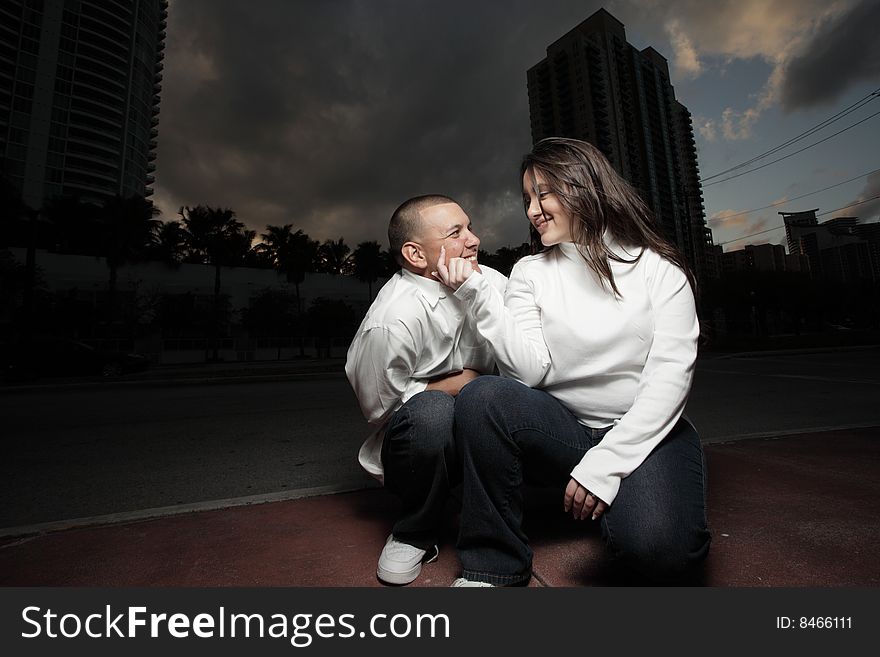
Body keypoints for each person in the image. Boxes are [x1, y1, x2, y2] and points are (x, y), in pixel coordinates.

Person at [434, 138, 711, 586]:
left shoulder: (660, 272)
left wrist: (606, 466)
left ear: (586, 188)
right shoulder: (530, 272)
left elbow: (668, 384)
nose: (532, 210)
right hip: (564, 429)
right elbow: (527, 373)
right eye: (527, 198)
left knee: (662, 553)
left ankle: (615, 497)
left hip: (646, 432)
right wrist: (477, 297)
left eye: (544, 193)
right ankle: (493, 565)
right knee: (484, 395)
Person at [345, 194, 507, 585]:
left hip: (484, 424)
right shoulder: (391, 320)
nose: (474, 240)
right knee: (431, 412)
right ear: (416, 255)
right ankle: (415, 529)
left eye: (469, 227)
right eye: (456, 233)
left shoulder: (493, 282)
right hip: (420, 447)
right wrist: (461, 383)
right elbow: (381, 408)